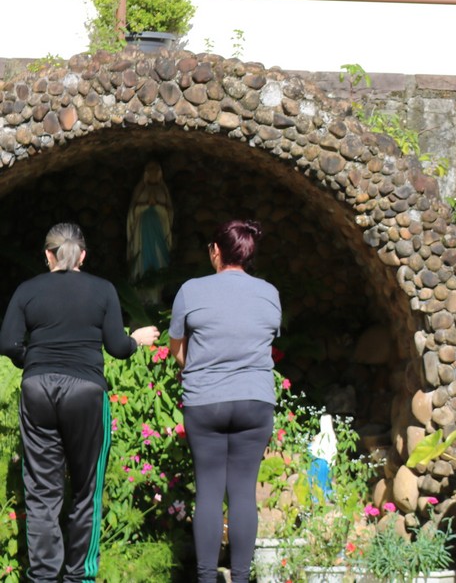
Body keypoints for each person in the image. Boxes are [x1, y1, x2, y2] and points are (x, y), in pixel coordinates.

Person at [0, 222, 159, 583]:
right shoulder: (103, 290)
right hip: (86, 391)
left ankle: (43, 577)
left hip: (37, 390)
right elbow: (117, 348)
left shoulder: (27, 290)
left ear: (48, 255)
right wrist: (135, 340)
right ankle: (79, 578)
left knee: (41, 492)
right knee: (88, 489)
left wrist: (34, 360)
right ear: (83, 255)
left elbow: (8, 343)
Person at [170, 219, 282, 583]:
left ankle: (206, 577)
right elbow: (263, 339)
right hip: (255, 400)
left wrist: (196, 367)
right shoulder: (269, 293)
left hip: (206, 401)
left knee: (208, 491)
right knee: (243, 493)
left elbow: (177, 350)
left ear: (216, 250)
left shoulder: (191, 290)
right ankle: (241, 577)